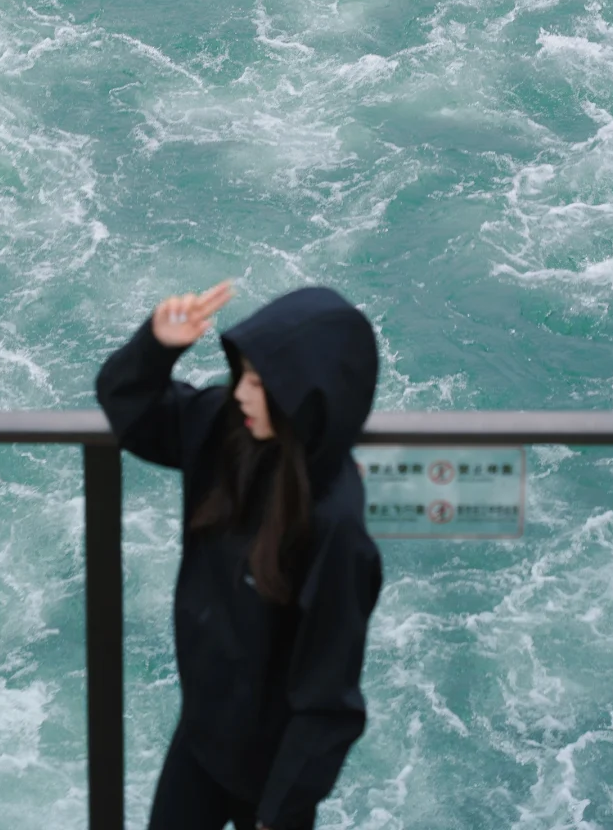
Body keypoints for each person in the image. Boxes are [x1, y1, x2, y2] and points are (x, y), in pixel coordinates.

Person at [96, 280, 382, 830]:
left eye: (258, 382)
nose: (242, 393)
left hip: (277, 777)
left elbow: (328, 701)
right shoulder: (225, 430)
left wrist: (280, 812)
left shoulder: (336, 528)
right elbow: (128, 406)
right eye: (242, 375)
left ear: (305, 396)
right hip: (203, 739)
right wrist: (158, 345)